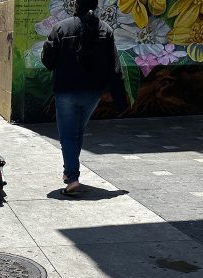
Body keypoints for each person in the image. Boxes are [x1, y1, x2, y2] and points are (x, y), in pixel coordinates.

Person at [41, 0, 128, 195]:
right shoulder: (105, 29)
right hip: (92, 93)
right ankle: (69, 171)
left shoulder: (61, 28)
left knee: (68, 135)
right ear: (96, 6)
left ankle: (72, 178)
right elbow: (114, 66)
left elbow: (47, 59)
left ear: (75, 6)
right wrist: (119, 98)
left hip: (66, 91)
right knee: (77, 131)